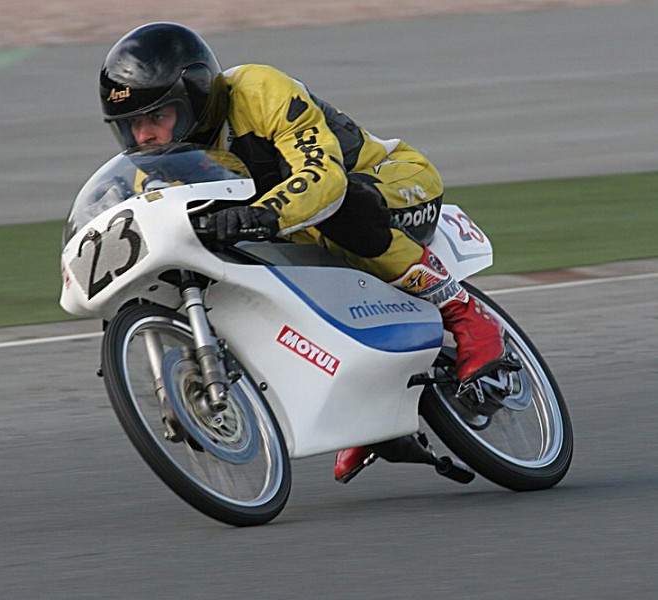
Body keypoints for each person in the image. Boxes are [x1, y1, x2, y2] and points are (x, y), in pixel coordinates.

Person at [98, 22, 507, 483]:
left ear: (195, 95)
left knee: (339, 212)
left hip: (390, 185)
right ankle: (363, 399)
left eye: (157, 118)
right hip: (303, 229)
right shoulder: (157, 172)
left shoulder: (258, 89)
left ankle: (466, 313)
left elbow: (324, 178)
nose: (146, 137)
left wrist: (265, 214)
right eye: (133, 125)